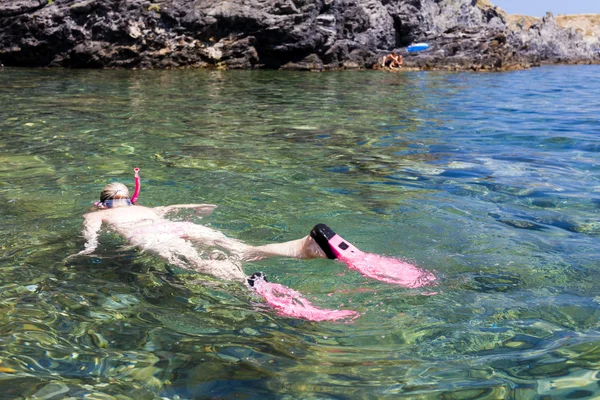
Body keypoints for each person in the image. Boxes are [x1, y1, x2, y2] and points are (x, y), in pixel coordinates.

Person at [74, 182, 332, 283]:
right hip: (177, 226)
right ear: (130, 199)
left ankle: (245, 282)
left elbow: (91, 237)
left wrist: (87, 251)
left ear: (102, 201)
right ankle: (305, 246)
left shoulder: (97, 215)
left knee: (195, 261)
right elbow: (173, 208)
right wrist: (197, 207)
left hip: (149, 235)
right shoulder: (145, 207)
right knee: (238, 248)